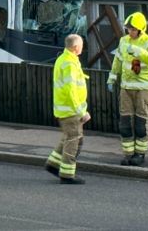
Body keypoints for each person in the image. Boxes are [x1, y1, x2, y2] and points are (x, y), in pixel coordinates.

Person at [107, 12, 148, 166]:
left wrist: (139, 52)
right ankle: (128, 154)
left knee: (141, 123)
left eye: (133, 29)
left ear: (141, 29)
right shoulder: (123, 41)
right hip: (126, 87)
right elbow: (118, 60)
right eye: (129, 29)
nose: (130, 32)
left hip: (144, 88)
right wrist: (112, 76)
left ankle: (140, 154)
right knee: (125, 122)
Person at [45, 34, 90, 184]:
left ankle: (53, 164)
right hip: (71, 110)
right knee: (74, 140)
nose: (83, 47)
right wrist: (81, 111)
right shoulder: (70, 63)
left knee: (69, 138)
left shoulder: (64, 59)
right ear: (76, 47)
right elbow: (71, 90)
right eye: (82, 45)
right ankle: (67, 175)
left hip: (65, 109)